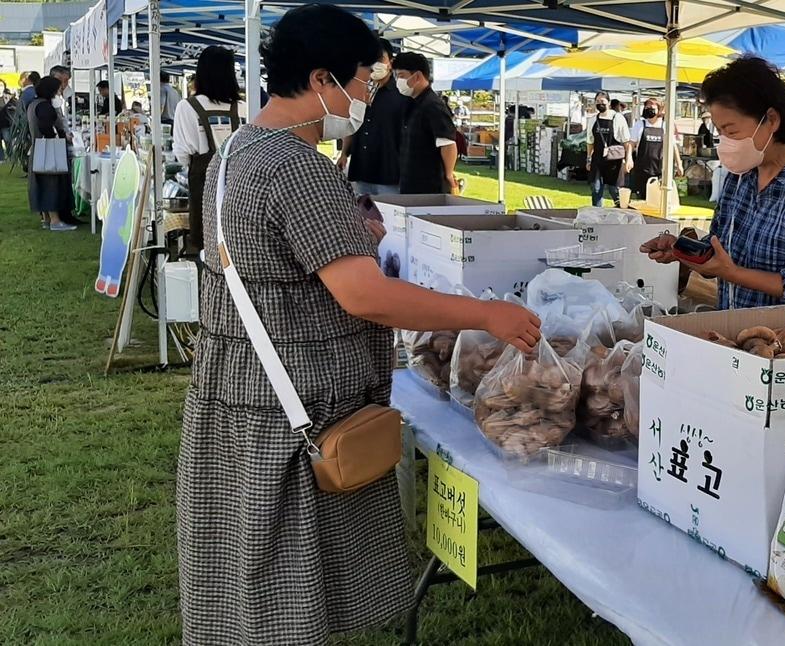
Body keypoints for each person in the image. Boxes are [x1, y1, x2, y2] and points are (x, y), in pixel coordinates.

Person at [178, 6, 541, 645]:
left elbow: (273, 258)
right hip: (295, 402)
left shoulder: (239, 147)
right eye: (364, 82)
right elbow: (366, 297)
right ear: (321, 79)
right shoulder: (297, 165)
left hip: (239, 391)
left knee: (248, 578)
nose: (369, 98)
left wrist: (356, 234)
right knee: (287, 587)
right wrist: (488, 313)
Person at [640, 56, 785, 310]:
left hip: (783, 342)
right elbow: (721, 252)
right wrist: (682, 252)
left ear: (771, 120)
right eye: (719, 131)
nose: (725, 142)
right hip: (731, 332)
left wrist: (733, 273)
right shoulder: (740, 176)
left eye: (731, 131)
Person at [173, 45, 247, 255]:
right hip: (240, 181)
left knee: (205, 240)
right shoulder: (243, 107)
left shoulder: (187, 107)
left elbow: (182, 154)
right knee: (238, 238)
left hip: (203, 181)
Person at [338, 38, 408, 196]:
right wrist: (344, 153)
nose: (374, 65)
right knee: (362, 217)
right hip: (361, 169)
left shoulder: (402, 94)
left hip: (389, 173)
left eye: (380, 59)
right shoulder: (359, 90)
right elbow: (351, 124)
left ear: (391, 62)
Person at [392, 51, 457, 195]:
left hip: (429, 185)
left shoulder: (433, 105)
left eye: (401, 76)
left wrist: (448, 174)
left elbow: (447, 143)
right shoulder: (412, 102)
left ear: (417, 76)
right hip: (410, 182)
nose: (398, 81)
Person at [26, 77, 76, 232]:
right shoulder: (45, 107)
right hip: (48, 148)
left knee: (42, 183)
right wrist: (60, 136)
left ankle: (47, 218)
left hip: (38, 148)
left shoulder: (33, 104)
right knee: (51, 183)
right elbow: (47, 127)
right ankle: (55, 220)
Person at [627, 96, 683, 203]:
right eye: (647, 107)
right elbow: (631, 143)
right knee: (643, 200)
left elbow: (673, 146)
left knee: (659, 200)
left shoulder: (665, 126)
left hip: (660, 170)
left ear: (659, 110)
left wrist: (679, 164)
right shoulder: (640, 124)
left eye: (651, 107)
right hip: (642, 169)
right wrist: (629, 158)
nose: (649, 109)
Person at [585, 91, 629, 207]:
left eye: (603, 102)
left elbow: (626, 141)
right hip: (597, 160)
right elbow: (590, 142)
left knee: (614, 190)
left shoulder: (618, 118)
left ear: (608, 103)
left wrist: (628, 159)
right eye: (598, 102)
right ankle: (597, 214)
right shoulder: (592, 120)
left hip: (614, 161)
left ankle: (622, 211)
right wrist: (588, 159)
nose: (600, 104)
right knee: (596, 188)